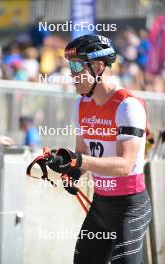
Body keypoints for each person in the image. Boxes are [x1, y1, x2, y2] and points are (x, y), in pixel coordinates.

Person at [47, 34, 152, 264]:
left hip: (130, 208)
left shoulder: (127, 106)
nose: (72, 74)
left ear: (98, 66)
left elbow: (124, 165)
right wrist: (68, 167)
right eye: (70, 67)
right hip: (101, 205)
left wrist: (79, 160)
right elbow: (82, 154)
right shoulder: (81, 104)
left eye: (76, 66)